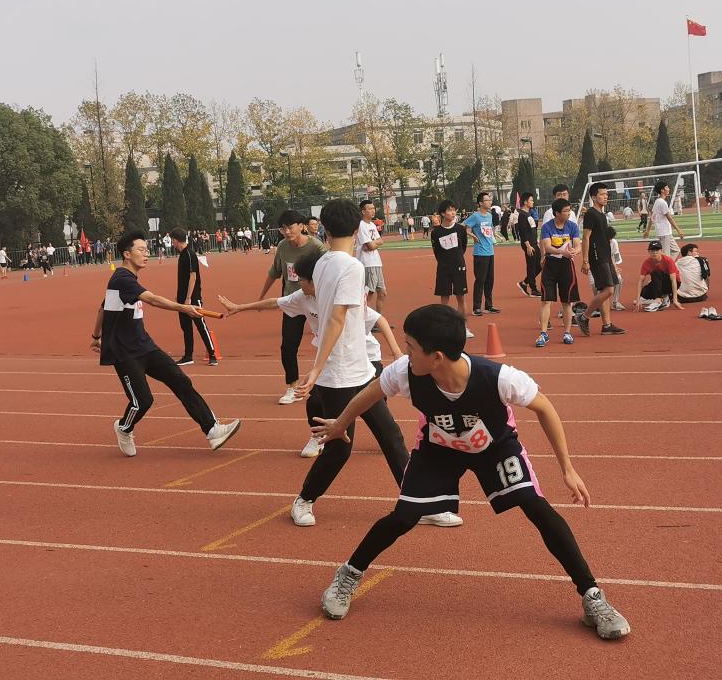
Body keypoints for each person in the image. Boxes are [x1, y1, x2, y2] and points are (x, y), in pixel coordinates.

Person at [310, 304, 630, 640]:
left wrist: (568, 468)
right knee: (404, 516)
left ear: (436, 357)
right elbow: (370, 393)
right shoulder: (405, 372)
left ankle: (593, 597)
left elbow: (545, 407)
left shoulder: (500, 378)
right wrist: (340, 424)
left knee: (536, 507)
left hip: (494, 448)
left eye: (411, 347)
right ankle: (348, 573)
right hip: (438, 450)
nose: (405, 353)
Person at [288, 200, 461, 528]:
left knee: (391, 436)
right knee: (339, 449)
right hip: (339, 374)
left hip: (362, 370)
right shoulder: (351, 267)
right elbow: (336, 318)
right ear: (357, 229)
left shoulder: (323, 263)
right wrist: (318, 368)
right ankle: (304, 500)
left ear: (323, 228)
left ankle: (420, 503)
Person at [220, 250, 432, 465]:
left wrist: (396, 352)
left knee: (372, 407)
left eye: (301, 279)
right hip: (332, 361)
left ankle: (388, 444)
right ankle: (319, 437)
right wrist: (240, 307)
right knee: (315, 403)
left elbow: (379, 320)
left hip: (364, 358)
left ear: (316, 279)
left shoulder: (342, 296)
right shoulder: (302, 297)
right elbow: (275, 302)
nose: (299, 283)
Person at [89, 230, 240, 457]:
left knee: (181, 381)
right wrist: (183, 308)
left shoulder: (124, 281)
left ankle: (212, 430)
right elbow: (152, 299)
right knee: (142, 401)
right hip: (124, 352)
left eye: (146, 249)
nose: (146, 253)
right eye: (141, 250)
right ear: (127, 254)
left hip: (144, 345)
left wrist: (95, 337)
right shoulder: (122, 278)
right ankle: (124, 427)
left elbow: (102, 308)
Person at [254, 209, 327, 405]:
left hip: (316, 301)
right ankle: (293, 386)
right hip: (293, 302)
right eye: (283, 228)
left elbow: (329, 271)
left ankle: (326, 384)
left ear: (302, 226)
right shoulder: (282, 246)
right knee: (288, 346)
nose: (287, 232)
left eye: (290, 227)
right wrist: (261, 298)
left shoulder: (316, 247)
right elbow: (274, 272)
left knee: (327, 343)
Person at [578, 183, 626, 336]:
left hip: (605, 256)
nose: (606, 197)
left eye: (606, 194)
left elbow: (605, 240)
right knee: (609, 290)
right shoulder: (591, 214)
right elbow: (585, 238)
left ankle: (607, 325)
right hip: (597, 257)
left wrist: (612, 261)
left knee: (604, 290)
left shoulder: (602, 215)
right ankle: (584, 317)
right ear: (594, 197)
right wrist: (585, 260)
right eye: (602, 194)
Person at [536, 198, 582, 347]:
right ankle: (543, 333)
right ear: (557, 213)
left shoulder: (572, 226)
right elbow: (547, 246)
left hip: (566, 266)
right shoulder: (547, 227)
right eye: (566, 211)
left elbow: (578, 245)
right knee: (546, 300)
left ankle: (567, 332)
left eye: (569, 210)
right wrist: (562, 252)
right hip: (550, 265)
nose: (569, 213)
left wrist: (575, 251)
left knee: (567, 301)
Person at [169, 228, 217, 366]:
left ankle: (212, 354)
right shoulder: (182, 255)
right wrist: (180, 297)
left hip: (192, 298)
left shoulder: (190, 254)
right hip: (182, 299)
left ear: (176, 240)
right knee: (186, 327)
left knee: (201, 325)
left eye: (173, 241)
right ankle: (188, 356)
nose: (172, 244)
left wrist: (189, 298)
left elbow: (193, 277)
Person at [430, 199, 474, 339]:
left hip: (459, 267)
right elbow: (436, 251)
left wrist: (457, 259)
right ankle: (444, 327)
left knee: (461, 297)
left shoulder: (460, 229)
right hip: (443, 268)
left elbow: (463, 247)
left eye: (454, 209)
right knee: (444, 298)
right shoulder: (436, 233)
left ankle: (463, 328)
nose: (453, 212)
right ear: (443, 213)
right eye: (450, 210)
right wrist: (445, 262)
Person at [463, 192, 499, 316]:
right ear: (480, 203)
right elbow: (462, 226)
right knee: (480, 280)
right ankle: (476, 307)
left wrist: (495, 238)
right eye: (487, 200)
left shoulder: (489, 216)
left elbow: (490, 230)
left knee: (490, 280)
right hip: (480, 253)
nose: (490, 202)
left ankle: (489, 306)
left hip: (490, 252)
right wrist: (472, 235)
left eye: (490, 200)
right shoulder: (475, 216)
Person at [634, 240, 683, 312]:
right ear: (649, 251)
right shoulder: (646, 262)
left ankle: (658, 301)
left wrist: (675, 300)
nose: (655, 252)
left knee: (656, 273)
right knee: (644, 292)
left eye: (657, 250)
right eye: (652, 250)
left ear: (661, 251)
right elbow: (641, 281)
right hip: (659, 284)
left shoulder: (668, 260)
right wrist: (638, 299)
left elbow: (673, 280)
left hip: (671, 283)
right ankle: (664, 298)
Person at [356, 200, 387, 313]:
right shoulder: (361, 225)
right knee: (369, 294)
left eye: (373, 208)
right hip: (367, 263)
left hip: (376, 262)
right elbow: (370, 246)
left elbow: (379, 241)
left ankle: (378, 318)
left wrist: (374, 243)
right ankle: (364, 319)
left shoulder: (372, 225)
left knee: (382, 292)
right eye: (369, 209)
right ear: (363, 211)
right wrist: (375, 243)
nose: (373, 211)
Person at [646, 181, 684, 257]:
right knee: (665, 255)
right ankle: (663, 264)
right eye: (666, 187)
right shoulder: (662, 203)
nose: (668, 189)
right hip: (664, 232)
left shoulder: (657, 201)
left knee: (676, 250)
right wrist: (679, 230)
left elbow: (652, 217)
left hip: (666, 232)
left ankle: (667, 264)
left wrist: (648, 231)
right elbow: (669, 218)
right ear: (662, 190)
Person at [515, 192, 541, 298]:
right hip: (529, 244)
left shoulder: (529, 213)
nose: (533, 202)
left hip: (534, 243)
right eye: (531, 200)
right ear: (525, 202)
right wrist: (528, 246)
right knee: (531, 266)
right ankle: (533, 289)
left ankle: (524, 283)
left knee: (540, 265)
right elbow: (522, 232)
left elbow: (532, 229)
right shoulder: (522, 215)